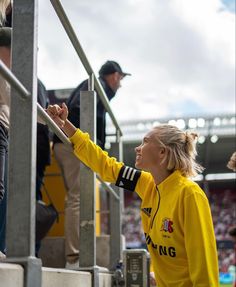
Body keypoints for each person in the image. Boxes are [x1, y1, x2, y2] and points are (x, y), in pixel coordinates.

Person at [47, 103, 219, 286]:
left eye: (145, 142)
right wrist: (65, 125)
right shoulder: (147, 184)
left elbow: (204, 267)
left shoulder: (189, 195)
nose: (138, 148)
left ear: (162, 152)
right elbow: (106, 166)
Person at [52, 60, 130, 269]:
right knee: (78, 197)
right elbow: (78, 109)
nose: (120, 84)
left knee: (77, 197)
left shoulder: (95, 86)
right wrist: (91, 145)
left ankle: (74, 256)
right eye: (120, 79)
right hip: (71, 145)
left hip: (67, 145)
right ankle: (74, 258)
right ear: (114, 76)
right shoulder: (98, 86)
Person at [0, 26, 11, 258]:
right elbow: (21, 102)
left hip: (6, 131)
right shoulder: (3, 73)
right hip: (1, 129)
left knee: (5, 192)